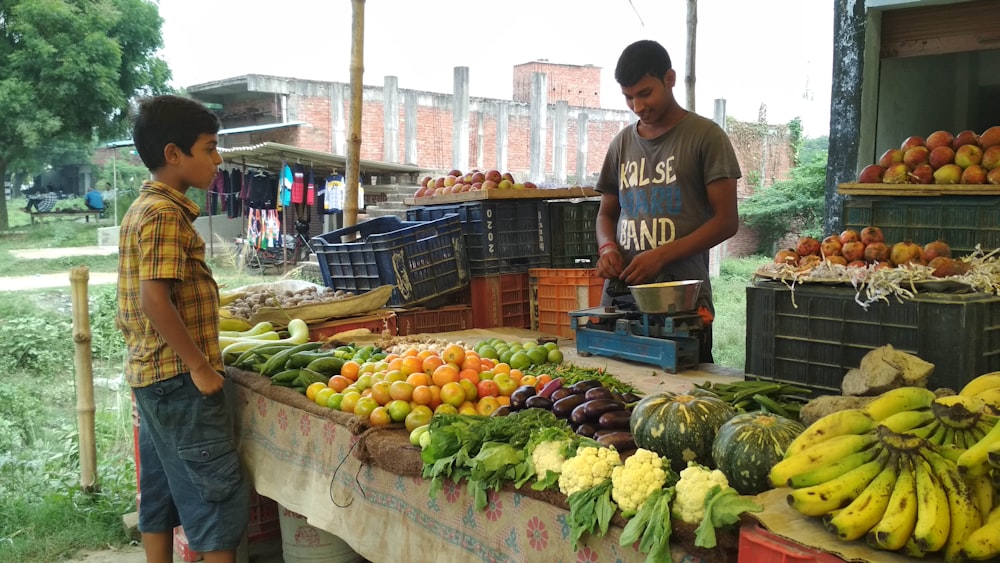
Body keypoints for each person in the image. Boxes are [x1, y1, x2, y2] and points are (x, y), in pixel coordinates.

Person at [117, 95, 248, 563]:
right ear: (174, 154)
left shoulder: (143, 208)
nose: (217, 160)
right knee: (215, 497)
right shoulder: (165, 215)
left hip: (153, 377)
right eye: (209, 148)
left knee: (161, 490)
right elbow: (155, 300)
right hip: (178, 379)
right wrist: (199, 367)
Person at [594, 40, 742, 364]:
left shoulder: (706, 137)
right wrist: (607, 249)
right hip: (621, 299)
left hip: (682, 304)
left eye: (645, 93)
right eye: (628, 97)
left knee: (682, 401)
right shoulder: (621, 144)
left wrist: (660, 256)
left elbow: (727, 221)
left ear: (670, 79)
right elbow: (606, 213)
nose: (637, 106)